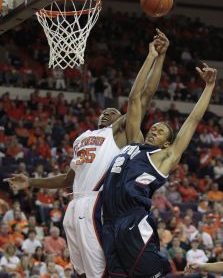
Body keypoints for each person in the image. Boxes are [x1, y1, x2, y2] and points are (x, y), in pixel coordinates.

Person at [4, 29, 169, 278]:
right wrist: (31, 182)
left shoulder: (119, 134)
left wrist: (155, 58)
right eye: (105, 111)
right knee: (79, 272)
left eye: (114, 112)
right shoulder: (83, 138)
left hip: (96, 203)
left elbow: (142, 98)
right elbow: (67, 179)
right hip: (74, 204)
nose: (107, 112)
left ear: (122, 120)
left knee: (99, 272)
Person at [102, 63, 217, 277]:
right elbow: (135, 98)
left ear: (167, 143)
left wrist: (209, 87)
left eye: (161, 131)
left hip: (132, 222)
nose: (154, 129)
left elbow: (192, 121)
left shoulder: (164, 156)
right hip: (108, 221)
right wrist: (153, 56)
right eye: (153, 127)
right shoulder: (133, 143)